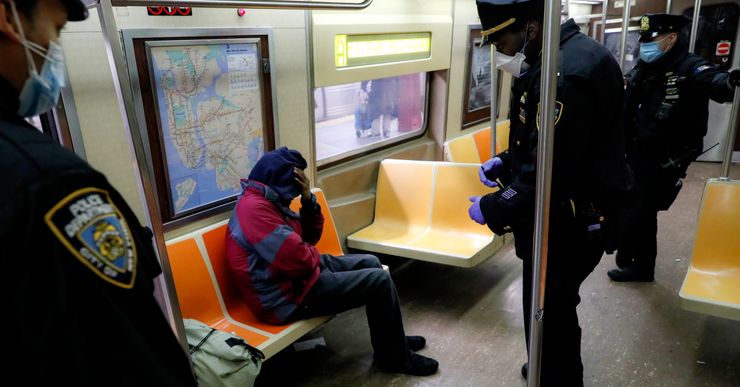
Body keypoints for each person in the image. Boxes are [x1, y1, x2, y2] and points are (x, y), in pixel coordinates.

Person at [0, 0, 196, 385]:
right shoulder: (51, 187)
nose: (53, 53)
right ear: (7, 17)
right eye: (55, 31)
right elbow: (122, 358)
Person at [469, 0, 636, 385]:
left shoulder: (563, 76)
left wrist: (494, 206)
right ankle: (546, 364)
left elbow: (552, 171)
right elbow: (543, 142)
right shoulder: (558, 60)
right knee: (544, 307)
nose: (500, 52)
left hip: (569, 221)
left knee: (550, 310)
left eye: (502, 41)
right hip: (563, 211)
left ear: (529, 27)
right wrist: (507, 160)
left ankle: (555, 375)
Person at [224, 147, 438, 376]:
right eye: (293, 192)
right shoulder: (255, 211)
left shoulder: (269, 201)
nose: (292, 197)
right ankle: (395, 358)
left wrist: (308, 200)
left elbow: (308, 240)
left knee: (371, 261)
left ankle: (393, 341)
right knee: (379, 281)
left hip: (294, 279)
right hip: (282, 298)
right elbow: (302, 261)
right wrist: (307, 253)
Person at [607, 13, 740, 282]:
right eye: (643, 39)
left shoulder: (689, 66)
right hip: (636, 149)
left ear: (671, 38)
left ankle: (641, 267)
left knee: (644, 209)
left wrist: (729, 82)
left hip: (666, 156)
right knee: (632, 202)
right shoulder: (647, 66)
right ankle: (629, 252)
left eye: (651, 39)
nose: (645, 45)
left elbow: (714, 81)